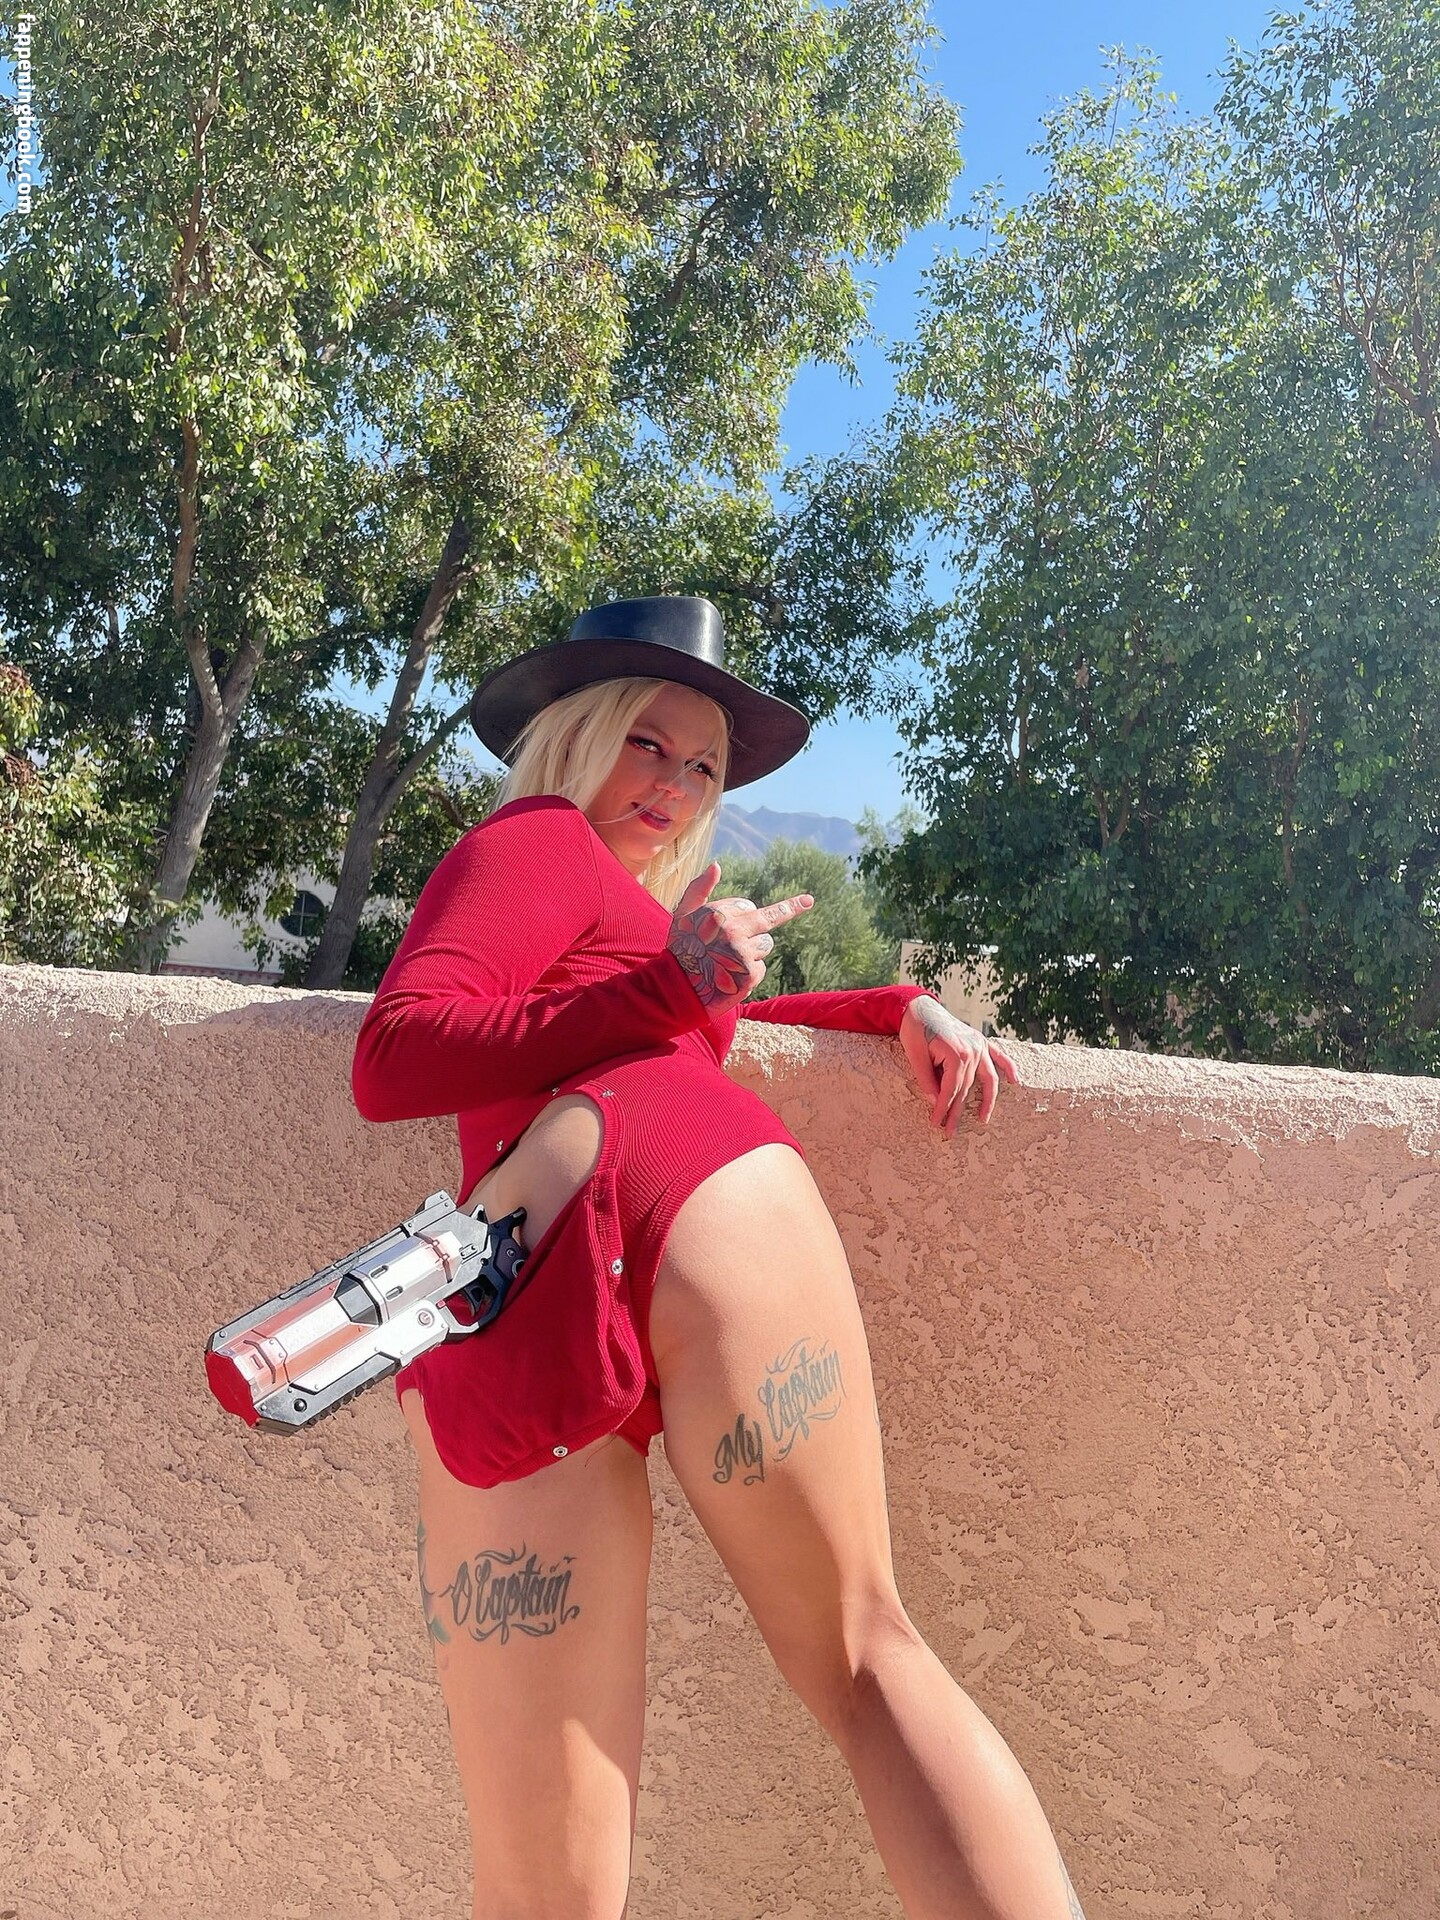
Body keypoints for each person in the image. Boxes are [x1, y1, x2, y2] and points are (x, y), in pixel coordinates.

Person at [351, 596, 1086, 1920]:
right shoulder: (532, 837)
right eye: (650, 743)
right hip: (710, 1207)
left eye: (703, 765)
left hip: (548, 1258)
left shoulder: (621, 904)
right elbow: (399, 1050)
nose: (678, 783)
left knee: (542, 1883)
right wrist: (667, 987)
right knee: (867, 1658)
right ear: (577, 734)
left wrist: (887, 1005)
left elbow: (659, 1028)